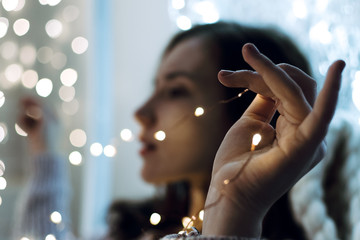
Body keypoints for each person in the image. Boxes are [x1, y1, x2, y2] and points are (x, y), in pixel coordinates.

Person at [12, 21, 345, 240]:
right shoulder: (132, 228)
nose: (141, 113)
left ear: (253, 109)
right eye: (154, 87)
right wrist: (45, 149)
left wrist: (235, 208)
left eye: (175, 91)